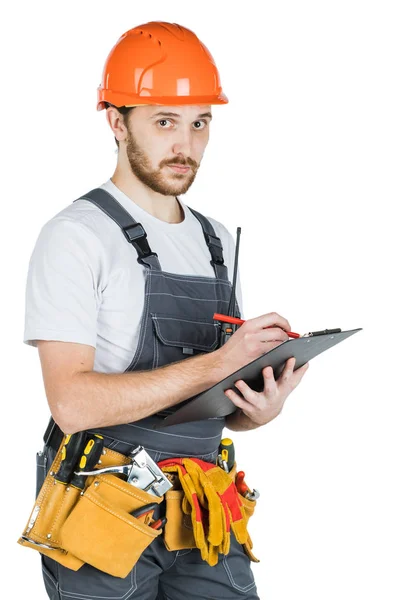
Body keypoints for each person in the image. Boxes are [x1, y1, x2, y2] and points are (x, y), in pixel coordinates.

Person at [23, 21, 309, 599]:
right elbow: (73, 403)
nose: (186, 145)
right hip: (101, 509)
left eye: (200, 123)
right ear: (115, 120)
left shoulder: (217, 241)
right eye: (164, 122)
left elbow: (217, 408)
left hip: (201, 509)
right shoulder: (76, 236)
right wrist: (218, 363)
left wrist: (259, 406)